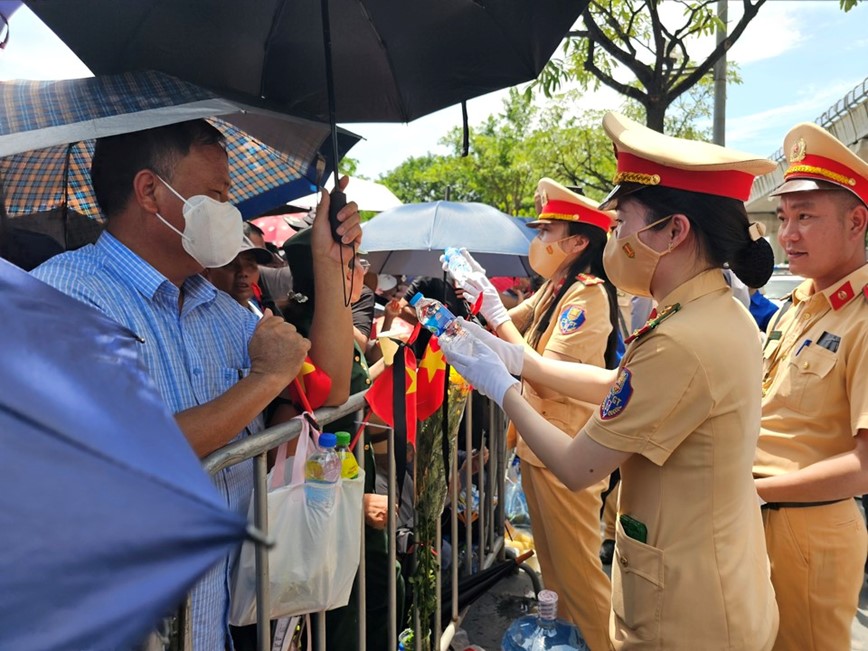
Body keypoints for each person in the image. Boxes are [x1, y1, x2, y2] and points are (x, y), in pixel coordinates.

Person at [440, 112, 780, 650]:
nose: (613, 234)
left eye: (622, 220)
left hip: (689, 615)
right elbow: (620, 383)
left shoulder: (682, 337)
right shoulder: (706, 311)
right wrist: (518, 360)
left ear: (673, 232)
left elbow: (578, 467)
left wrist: (498, 386)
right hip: (707, 584)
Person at [30, 119, 362, 651]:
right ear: (150, 192)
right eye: (216, 196)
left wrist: (331, 265)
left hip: (210, 625)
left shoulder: (219, 312)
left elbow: (329, 387)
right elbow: (126, 452)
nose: (231, 215)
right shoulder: (67, 295)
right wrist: (263, 379)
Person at [445, 178, 620, 651]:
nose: (538, 241)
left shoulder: (588, 295)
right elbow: (509, 330)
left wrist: (495, 310)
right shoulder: (555, 288)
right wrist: (474, 300)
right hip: (542, 448)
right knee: (556, 577)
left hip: (566, 454)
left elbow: (543, 373)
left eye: (547, 231)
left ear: (578, 242)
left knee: (581, 579)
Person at [753, 122, 868, 651]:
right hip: (758, 520)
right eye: (783, 217)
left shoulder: (862, 320)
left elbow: (864, 467)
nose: (788, 234)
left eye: (805, 217)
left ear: (856, 222)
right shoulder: (795, 306)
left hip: (811, 534)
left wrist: (752, 491)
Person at [283, 226, 403, 651]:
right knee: (340, 613)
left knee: (381, 588)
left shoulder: (337, 326)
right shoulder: (298, 332)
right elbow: (300, 426)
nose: (362, 273)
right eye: (352, 265)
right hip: (321, 497)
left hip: (352, 482)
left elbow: (347, 397)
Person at [202, 236, 274, 315]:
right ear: (207, 272)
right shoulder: (204, 318)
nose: (243, 273)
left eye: (250, 265)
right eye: (230, 264)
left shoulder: (260, 308)